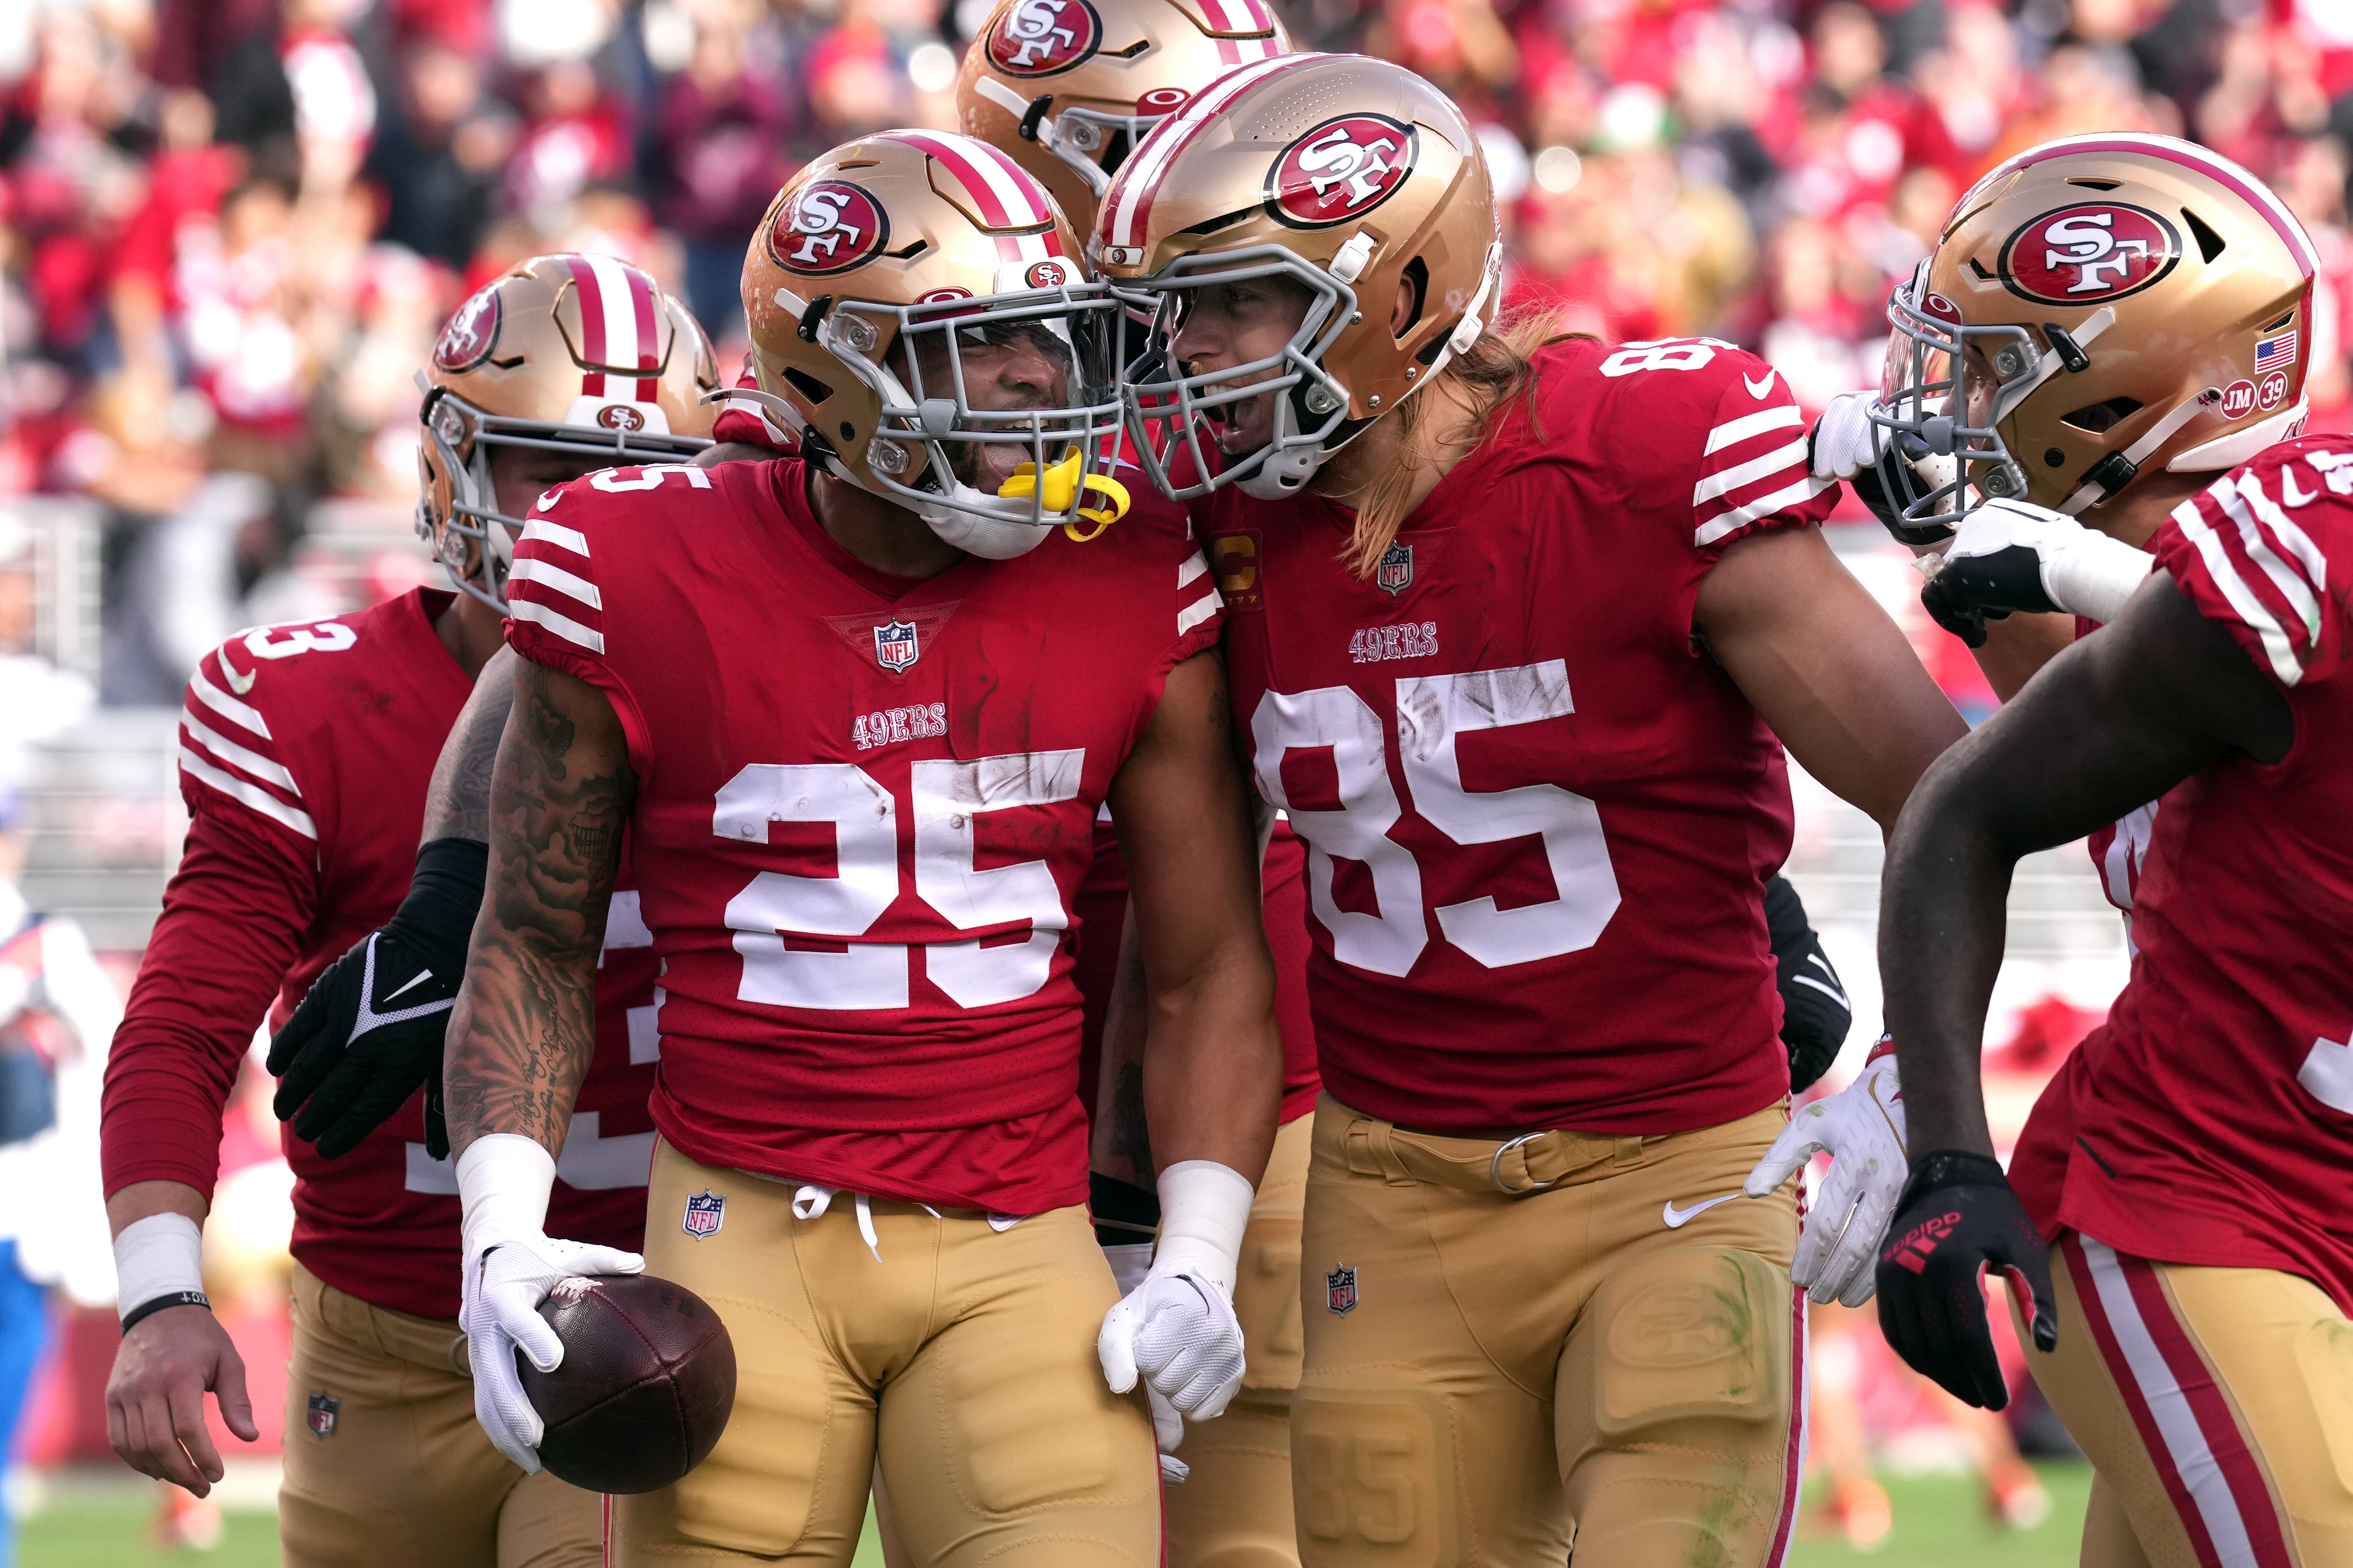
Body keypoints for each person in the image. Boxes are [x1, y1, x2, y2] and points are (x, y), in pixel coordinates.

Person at [1095, 52, 1968, 1566]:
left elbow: (1947, 795)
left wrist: (1916, 1081)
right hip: (1392, 1193)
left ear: (1397, 288)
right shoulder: (1222, 536)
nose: (1193, 350)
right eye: (1180, 307)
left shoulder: (1640, 457)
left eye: (1234, 300)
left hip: (1674, 1173)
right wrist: (1188, 1246)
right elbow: (1205, 959)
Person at [445, 130, 1283, 1567]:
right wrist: (499, 1230)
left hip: (1021, 1234)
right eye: (986, 341)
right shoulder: (631, 561)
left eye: (1051, 336)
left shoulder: (1134, 566)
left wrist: (1193, 1250)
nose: (1041, 379)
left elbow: (1205, 966)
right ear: (838, 368)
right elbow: (532, 940)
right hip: (737, 1226)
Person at [97, 252, 717, 1568]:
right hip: (375, 1338)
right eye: (552, 471)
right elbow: (183, 1027)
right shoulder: (308, 707)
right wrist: (158, 1297)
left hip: (634, 1317)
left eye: (643, 477)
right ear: (454, 467)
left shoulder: (733, 690)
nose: (594, 513)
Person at [1859, 137, 2353, 1568]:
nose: (1954, 409)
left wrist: (2094, 579)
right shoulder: (2288, 570)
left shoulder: (2275, 578)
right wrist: (1945, 1148)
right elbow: (1976, 805)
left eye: (1995, 370)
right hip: (2208, 1197)